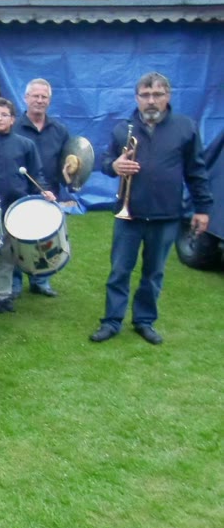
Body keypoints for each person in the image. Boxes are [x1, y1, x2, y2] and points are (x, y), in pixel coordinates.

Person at [90, 72, 211, 345]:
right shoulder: (123, 129)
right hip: (129, 215)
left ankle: (144, 321)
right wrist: (114, 165)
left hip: (166, 215)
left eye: (157, 94)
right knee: (119, 271)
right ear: (137, 98)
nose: (151, 101)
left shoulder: (186, 127)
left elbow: (196, 171)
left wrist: (202, 208)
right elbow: (106, 161)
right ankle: (111, 321)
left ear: (168, 96)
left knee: (154, 273)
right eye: (145, 95)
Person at [0, 98, 55, 313]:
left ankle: (4, 294)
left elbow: (35, 175)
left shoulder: (26, 145)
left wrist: (43, 191)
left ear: (12, 119)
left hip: (16, 209)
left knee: (9, 255)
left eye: (4, 115)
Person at [12, 78, 71, 298]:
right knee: (17, 240)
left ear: (49, 100)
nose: (39, 100)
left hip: (48, 193)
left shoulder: (59, 130)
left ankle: (41, 281)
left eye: (44, 97)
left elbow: (67, 161)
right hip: (19, 192)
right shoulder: (14, 127)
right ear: (26, 98)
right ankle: (15, 283)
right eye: (35, 96)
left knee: (44, 240)